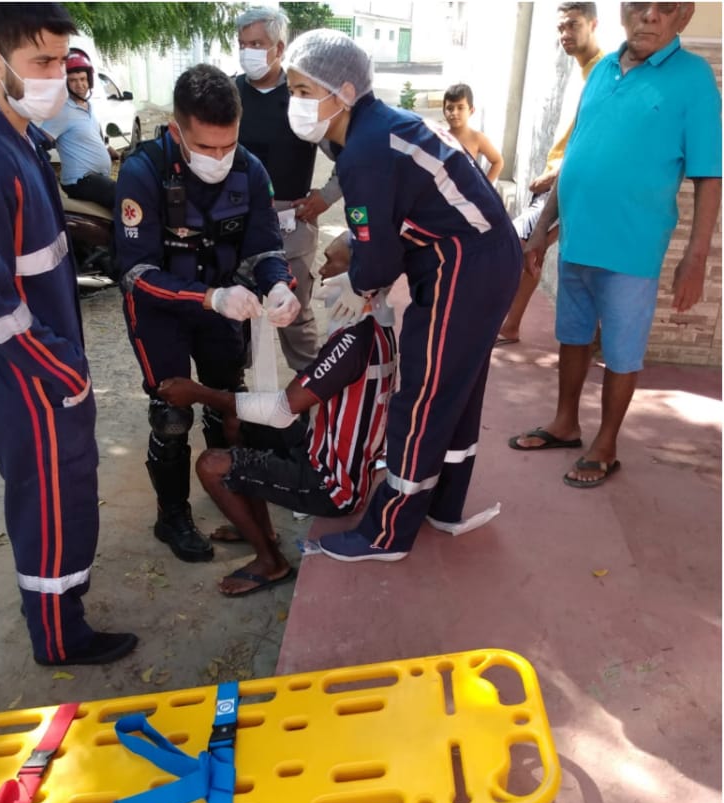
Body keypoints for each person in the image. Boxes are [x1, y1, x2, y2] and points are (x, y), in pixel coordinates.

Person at [0, 3, 137, 667]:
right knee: (47, 498)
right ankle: (58, 636)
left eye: (62, 59)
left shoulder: (15, 129)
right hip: (23, 365)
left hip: (42, 356)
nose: (58, 75)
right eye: (41, 62)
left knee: (68, 485)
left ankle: (66, 601)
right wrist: (63, 371)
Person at [285, 29, 522, 562]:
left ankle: (386, 533)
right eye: (292, 91)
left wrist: (360, 282)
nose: (294, 103)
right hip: (479, 256)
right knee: (454, 388)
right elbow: (386, 222)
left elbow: (379, 253)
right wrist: (361, 260)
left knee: (421, 392)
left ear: (343, 89)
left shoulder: (365, 148)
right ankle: (442, 504)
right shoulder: (375, 128)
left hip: (465, 264)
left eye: (303, 91)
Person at [509, 1, 720, 486]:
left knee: (622, 349)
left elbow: (710, 176)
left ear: (683, 17)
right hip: (578, 238)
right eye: (638, 5)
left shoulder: (694, 80)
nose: (648, 16)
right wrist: (542, 230)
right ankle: (565, 424)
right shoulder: (604, 68)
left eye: (663, 8)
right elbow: (576, 154)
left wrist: (696, 255)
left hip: (633, 247)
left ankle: (606, 443)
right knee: (573, 334)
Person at [114, 63, 301, 565]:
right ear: (177, 130)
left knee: (227, 403)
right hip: (163, 311)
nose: (219, 158)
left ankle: (233, 495)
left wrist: (280, 285)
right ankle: (171, 514)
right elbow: (136, 273)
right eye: (205, 147)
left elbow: (264, 246)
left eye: (228, 145)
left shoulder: (251, 170)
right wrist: (208, 298)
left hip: (226, 305)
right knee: (173, 413)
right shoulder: (142, 172)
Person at [159, 287, 398, 595]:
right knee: (240, 420)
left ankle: (271, 562)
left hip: (332, 484)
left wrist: (197, 393)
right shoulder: (376, 329)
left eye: (333, 262)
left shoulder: (354, 341)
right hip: (323, 449)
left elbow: (283, 410)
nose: (324, 271)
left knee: (211, 465)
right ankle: (261, 531)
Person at [496, 1, 606, 345]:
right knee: (533, 247)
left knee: (520, 241)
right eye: (561, 27)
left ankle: (511, 325)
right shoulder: (583, 70)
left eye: (573, 25)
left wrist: (556, 173)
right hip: (561, 180)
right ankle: (514, 325)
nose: (565, 34)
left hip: (572, 183)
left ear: (593, 24)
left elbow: (599, 138)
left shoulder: (604, 73)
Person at [232, 6, 324, 375]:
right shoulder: (229, 93)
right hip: (235, 220)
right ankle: (232, 401)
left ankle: (314, 399)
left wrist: (326, 196)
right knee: (239, 318)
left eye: (257, 43)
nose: (248, 51)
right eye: (242, 44)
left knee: (294, 314)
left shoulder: (301, 94)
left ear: (279, 47)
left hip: (290, 221)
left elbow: (347, 152)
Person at [40, 48, 119, 209]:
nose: (80, 85)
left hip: (96, 178)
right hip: (79, 180)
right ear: (66, 84)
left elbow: (89, 138)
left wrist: (108, 150)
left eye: (83, 79)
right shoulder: (62, 110)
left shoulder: (88, 107)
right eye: (73, 80)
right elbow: (41, 141)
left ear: (89, 80)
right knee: (124, 197)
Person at [440, 84, 503, 184]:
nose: (454, 112)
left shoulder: (477, 138)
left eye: (460, 108)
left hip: (467, 193)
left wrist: (485, 186)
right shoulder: (440, 137)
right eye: (450, 108)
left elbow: (498, 161)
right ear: (444, 111)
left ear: (471, 110)